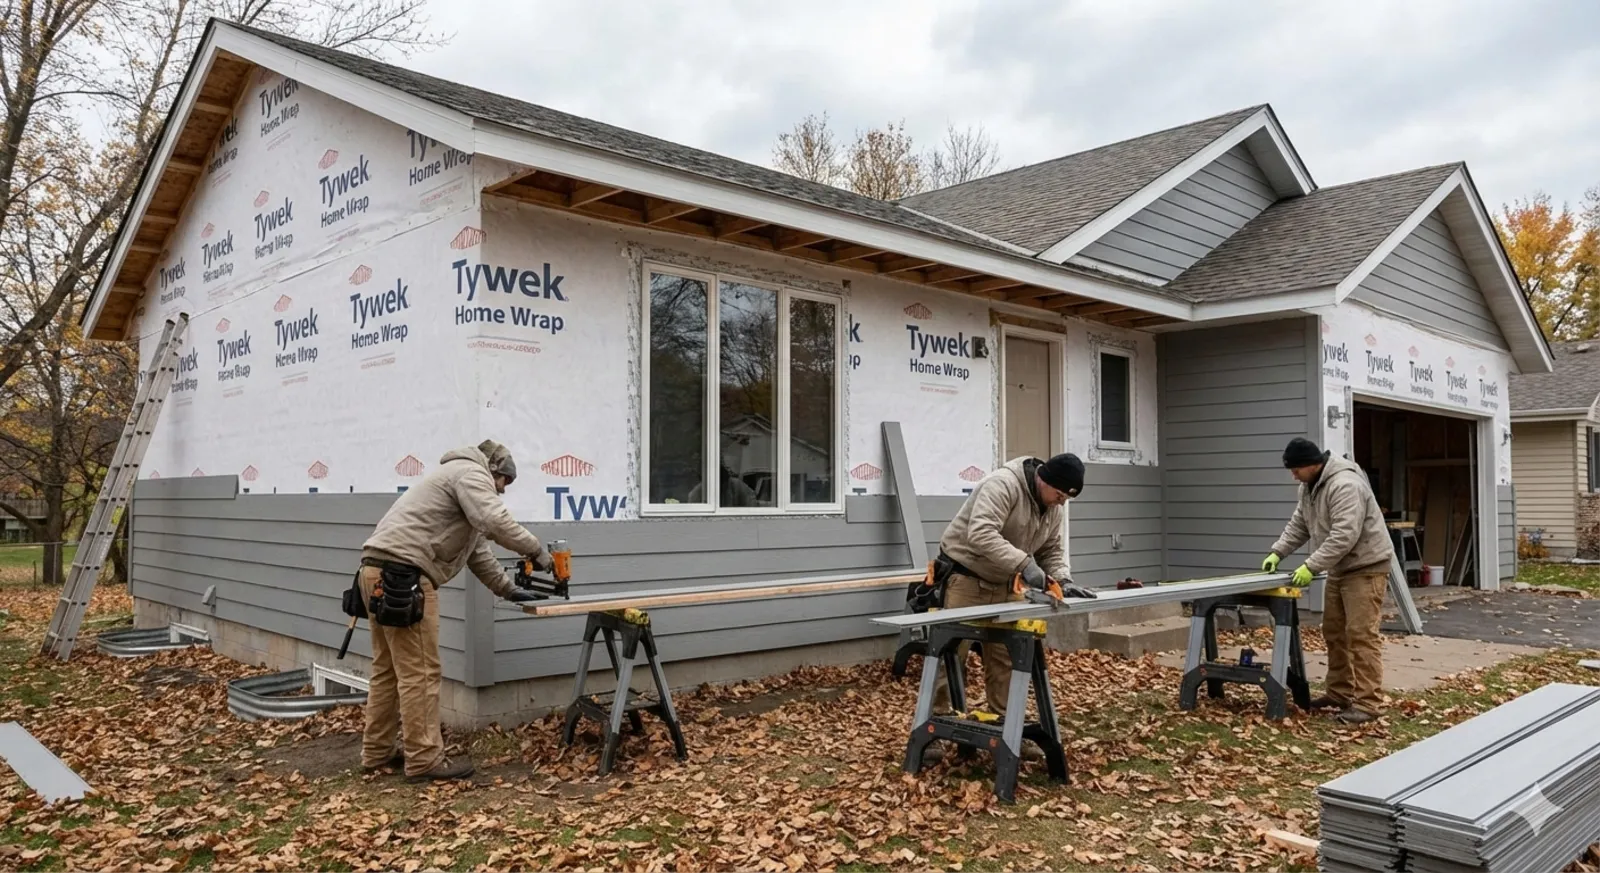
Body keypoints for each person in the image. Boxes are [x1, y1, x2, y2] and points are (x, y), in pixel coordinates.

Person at [355, 440, 554, 781]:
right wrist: (536, 551)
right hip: (405, 577)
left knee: (387, 670)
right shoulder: (470, 473)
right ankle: (423, 760)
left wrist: (508, 589)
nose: (503, 490)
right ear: (493, 469)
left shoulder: (453, 480)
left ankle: (377, 752)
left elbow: (477, 553)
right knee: (420, 672)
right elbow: (494, 520)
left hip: (375, 570)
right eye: (504, 481)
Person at [929, 454, 1094, 748]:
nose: (1061, 503)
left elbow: (1051, 550)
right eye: (1059, 495)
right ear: (1043, 479)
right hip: (966, 577)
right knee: (950, 653)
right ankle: (933, 727)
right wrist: (1024, 564)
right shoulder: (1002, 485)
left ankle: (1005, 725)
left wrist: (1063, 580)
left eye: (1066, 498)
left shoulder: (1052, 507)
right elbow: (981, 534)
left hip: (1007, 581)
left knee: (1007, 654)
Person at [1261, 437, 1396, 725]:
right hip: (1340, 568)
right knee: (1334, 632)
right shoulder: (1309, 487)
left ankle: (1368, 704)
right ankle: (1339, 693)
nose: (1293, 475)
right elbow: (1299, 524)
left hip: (1365, 567)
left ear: (1312, 464)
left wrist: (1310, 566)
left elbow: (1344, 535)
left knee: (1361, 635)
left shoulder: (1345, 485)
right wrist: (1278, 551)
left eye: (1296, 469)